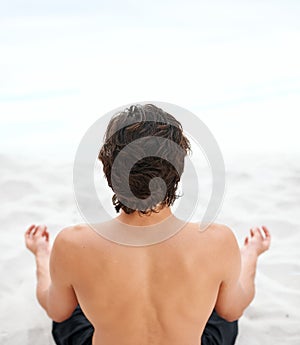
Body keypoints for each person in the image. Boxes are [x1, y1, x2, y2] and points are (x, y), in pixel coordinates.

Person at [25, 104, 271, 345]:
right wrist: (251, 254)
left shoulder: (72, 243)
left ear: (110, 172)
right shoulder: (218, 240)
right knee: (221, 300)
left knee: (71, 305)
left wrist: (41, 255)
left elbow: (57, 312)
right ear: (177, 171)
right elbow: (233, 310)